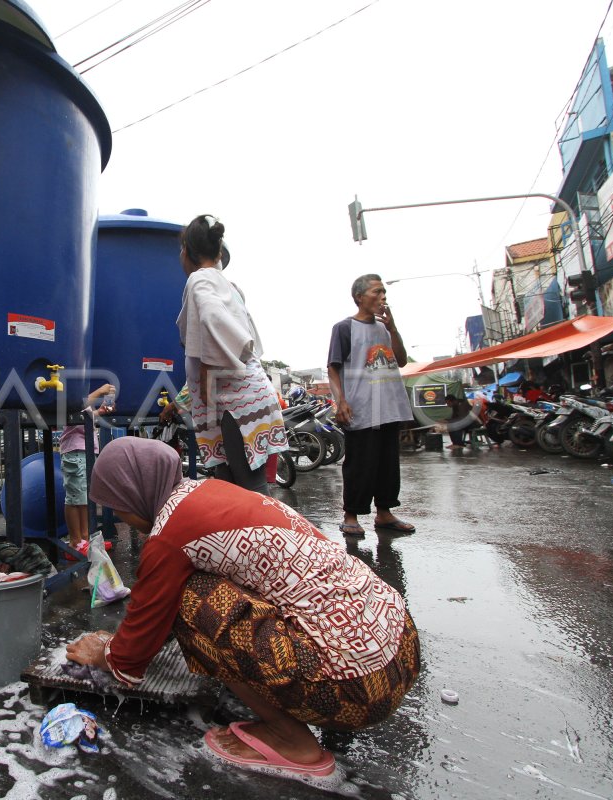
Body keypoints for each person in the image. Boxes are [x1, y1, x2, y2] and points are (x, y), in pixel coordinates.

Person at [66, 438, 419, 789]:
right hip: (398, 648)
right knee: (204, 587)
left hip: (353, 690)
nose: (119, 516)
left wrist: (105, 653)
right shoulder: (206, 492)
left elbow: (131, 656)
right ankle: (279, 701)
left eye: (116, 506)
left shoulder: (169, 534)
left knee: (192, 600)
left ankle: (291, 741)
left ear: (133, 492)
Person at [175, 214, 288, 494]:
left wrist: (207, 371)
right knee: (231, 487)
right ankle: (242, 538)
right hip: (244, 395)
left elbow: (214, 319)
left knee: (250, 491)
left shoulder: (199, 280)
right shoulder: (228, 285)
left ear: (187, 251)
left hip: (235, 403)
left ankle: (264, 538)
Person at [326, 274, 416, 537]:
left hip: (389, 406)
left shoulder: (385, 328)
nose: (382, 297)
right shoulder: (344, 328)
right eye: (377, 292)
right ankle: (351, 515)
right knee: (360, 464)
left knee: (388, 464)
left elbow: (400, 361)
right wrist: (340, 401)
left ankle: (384, 513)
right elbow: (333, 368)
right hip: (360, 407)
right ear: (359, 297)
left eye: (384, 292)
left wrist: (394, 328)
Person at [60, 383, 115, 558]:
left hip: (86, 450)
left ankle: (85, 538)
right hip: (75, 451)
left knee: (83, 496)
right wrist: (100, 391)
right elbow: (78, 407)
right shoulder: (72, 397)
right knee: (75, 497)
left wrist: (100, 412)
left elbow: (86, 415)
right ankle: (75, 541)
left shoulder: (83, 397)